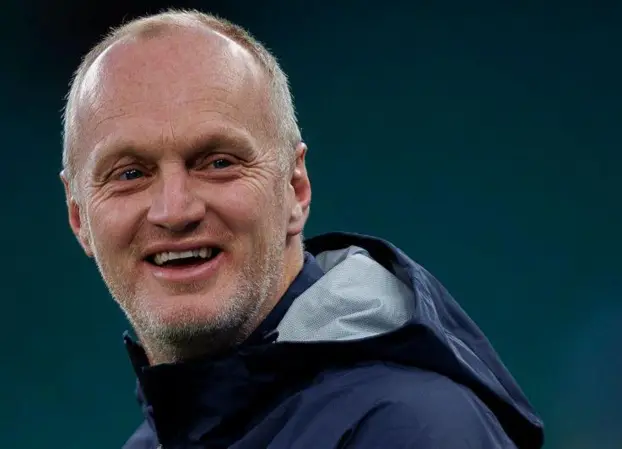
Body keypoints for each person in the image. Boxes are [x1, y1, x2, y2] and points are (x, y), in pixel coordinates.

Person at [60, 9, 543, 449]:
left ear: (295, 188)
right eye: (130, 174)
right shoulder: (150, 443)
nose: (174, 209)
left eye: (218, 162)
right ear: (79, 217)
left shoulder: (411, 429)